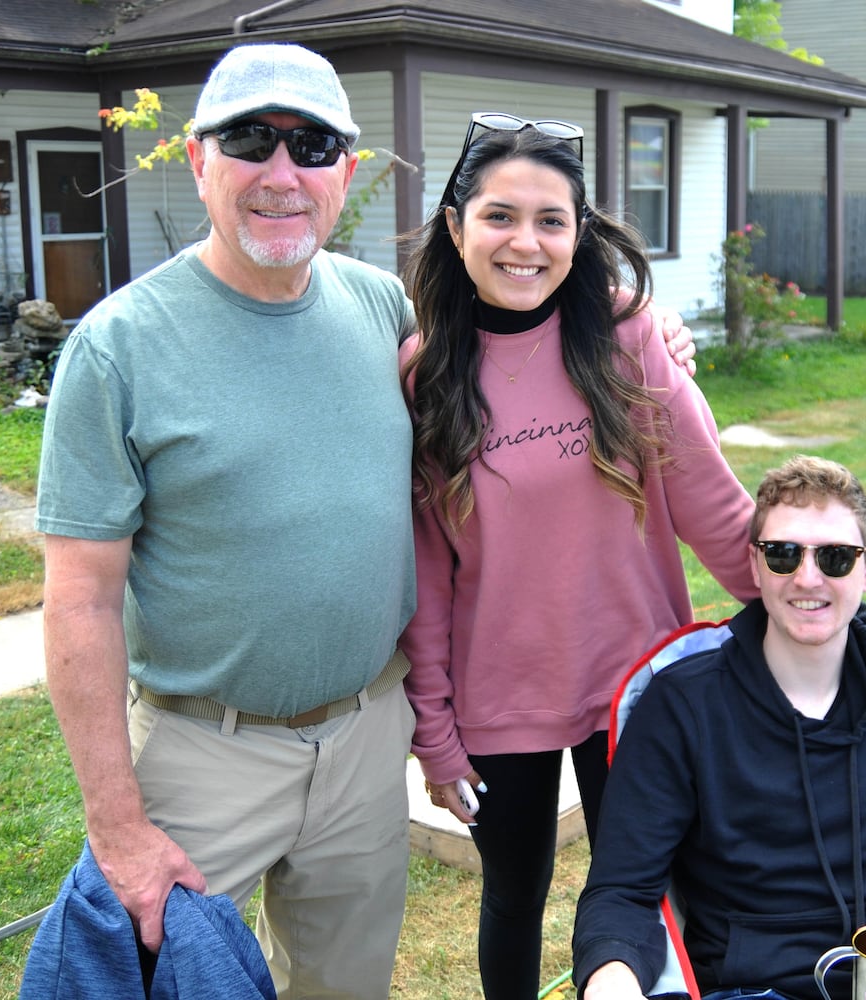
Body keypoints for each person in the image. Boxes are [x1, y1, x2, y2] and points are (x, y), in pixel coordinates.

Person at [34, 45, 695, 1000]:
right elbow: (78, 603)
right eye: (250, 140)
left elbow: (530, 319)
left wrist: (643, 320)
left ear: (346, 171)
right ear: (196, 159)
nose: (280, 173)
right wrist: (117, 827)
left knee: (345, 986)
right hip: (202, 754)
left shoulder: (380, 308)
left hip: (363, 744)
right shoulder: (119, 348)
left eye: (311, 146)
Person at [397, 114, 761, 1000]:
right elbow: (429, 575)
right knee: (512, 896)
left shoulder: (628, 339)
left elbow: (706, 500)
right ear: (455, 225)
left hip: (635, 686)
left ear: (580, 232)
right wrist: (435, 734)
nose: (526, 242)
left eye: (550, 220)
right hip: (500, 697)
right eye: (499, 216)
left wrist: (800, 603)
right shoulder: (422, 373)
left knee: (655, 893)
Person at [572, 455, 866, 1000]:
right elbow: (621, 890)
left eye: (835, 558)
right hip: (752, 989)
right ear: (754, 567)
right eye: (782, 554)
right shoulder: (682, 704)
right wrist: (611, 978)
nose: (807, 577)